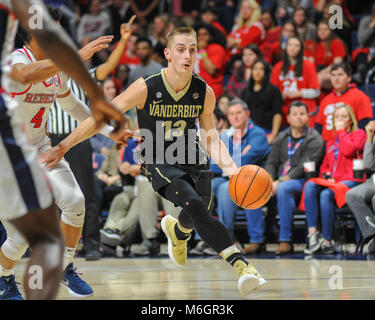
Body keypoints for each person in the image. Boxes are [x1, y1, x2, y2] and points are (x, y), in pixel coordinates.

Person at [42, 26, 267, 297]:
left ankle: (179, 232)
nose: (188, 55)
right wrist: (64, 146)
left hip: (191, 154)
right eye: (181, 49)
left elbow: (211, 138)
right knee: (196, 204)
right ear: (168, 54)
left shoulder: (203, 92)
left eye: (193, 50)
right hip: (158, 156)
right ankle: (242, 266)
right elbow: (99, 117)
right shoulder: (145, 87)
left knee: (199, 209)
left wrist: (233, 169)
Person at [0, 0, 124, 300]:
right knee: (18, 236)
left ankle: (66, 267)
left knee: (74, 201)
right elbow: (26, 76)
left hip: (42, 149)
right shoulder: (16, 59)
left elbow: (73, 106)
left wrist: (111, 131)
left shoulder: (57, 73)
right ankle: (3, 279)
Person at [48, 15, 136, 262]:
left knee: (86, 194)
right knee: (53, 197)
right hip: (50, 138)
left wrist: (123, 41)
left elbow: (107, 68)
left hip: (78, 138)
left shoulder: (82, 79)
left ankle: (93, 245)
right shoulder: (46, 71)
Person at [303, 104, 366, 255]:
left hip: (353, 180)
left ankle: (327, 240)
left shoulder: (359, 134)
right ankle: (313, 234)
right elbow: (325, 165)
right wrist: (326, 174)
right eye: (337, 117)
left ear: (351, 120)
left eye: (344, 117)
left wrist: (341, 132)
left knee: (326, 194)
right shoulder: (331, 142)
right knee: (310, 185)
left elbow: (349, 149)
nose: (340, 120)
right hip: (335, 181)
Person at [210, 99, 271, 255]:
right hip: (229, 177)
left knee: (225, 189)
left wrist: (230, 160)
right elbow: (215, 164)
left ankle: (227, 241)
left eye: (238, 113)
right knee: (206, 186)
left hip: (253, 180)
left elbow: (247, 160)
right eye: (231, 114)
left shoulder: (257, 134)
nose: (235, 117)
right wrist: (235, 159)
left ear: (247, 114)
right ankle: (203, 239)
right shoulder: (226, 135)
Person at [265, 101, 325, 255]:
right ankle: (256, 240)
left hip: (304, 181)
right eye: (295, 114)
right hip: (278, 180)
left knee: (284, 188)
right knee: (251, 188)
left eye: (302, 114)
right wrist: (269, 181)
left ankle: (285, 240)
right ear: (289, 117)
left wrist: (280, 181)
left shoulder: (315, 138)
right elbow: (272, 161)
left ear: (307, 117)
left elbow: (303, 167)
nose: (298, 117)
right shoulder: (282, 137)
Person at [314, 62, 373, 142]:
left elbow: (365, 125)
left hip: (349, 145)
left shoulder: (360, 96)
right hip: (326, 147)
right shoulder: (325, 100)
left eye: (340, 75)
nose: (336, 79)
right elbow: (318, 127)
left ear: (349, 78)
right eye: (333, 75)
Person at [271, 36, 320, 128]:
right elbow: (273, 93)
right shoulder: (278, 67)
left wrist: (298, 93)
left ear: (301, 49)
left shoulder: (308, 65)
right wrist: (280, 95)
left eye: (296, 45)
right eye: (290, 45)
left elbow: (316, 92)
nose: (293, 48)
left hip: (304, 111)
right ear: (286, 47)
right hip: (284, 113)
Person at [346, 120, 375, 254]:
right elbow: (368, 164)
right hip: (373, 180)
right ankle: (372, 234)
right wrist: (369, 137)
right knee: (352, 195)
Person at [241, 59, 282, 145]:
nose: (257, 72)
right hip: (248, 132)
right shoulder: (245, 91)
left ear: (266, 72)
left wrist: (273, 134)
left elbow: (277, 114)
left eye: (261, 69)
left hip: (267, 131)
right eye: (255, 69)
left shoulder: (274, 90)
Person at [304, 20, 347, 92]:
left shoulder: (337, 43)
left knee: (319, 78)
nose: (322, 32)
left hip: (332, 72)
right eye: (320, 29)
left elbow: (336, 65)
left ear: (330, 31)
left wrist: (320, 73)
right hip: (316, 71)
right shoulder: (312, 44)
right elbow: (309, 63)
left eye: (325, 29)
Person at [193, 23, 227, 99]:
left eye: (204, 34)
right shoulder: (193, 50)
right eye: (199, 35)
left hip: (211, 91)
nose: (201, 37)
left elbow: (211, 70)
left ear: (211, 36)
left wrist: (203, 50)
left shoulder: (216, 48)